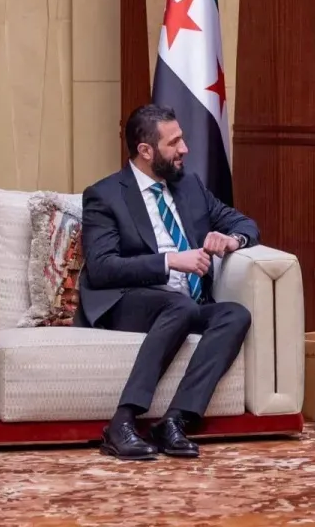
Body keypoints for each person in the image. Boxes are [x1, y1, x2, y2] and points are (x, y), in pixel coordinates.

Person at [80, 103, 257, 461]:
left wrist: (231, 239)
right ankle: (122, 422)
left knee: (234, 314)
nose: (184, 149)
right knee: (180, 306)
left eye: (182, 139)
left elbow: (245, 224)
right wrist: (170, 261)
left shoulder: (189, 186)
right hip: (129, 301)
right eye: (174, 142)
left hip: (186, 304)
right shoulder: (105, 195)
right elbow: (101, 267)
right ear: (146, 151)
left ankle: (175, 421)